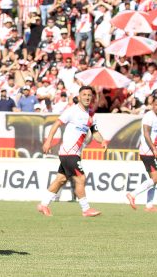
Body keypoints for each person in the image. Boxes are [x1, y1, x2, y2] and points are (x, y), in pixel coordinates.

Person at [37, 86, 107, 217]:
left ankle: (43, 205)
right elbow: (57, 124)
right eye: (84, 95)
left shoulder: (91, 115)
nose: (87, 97)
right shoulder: (72, 111)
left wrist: (102, 141)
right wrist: (48, 141)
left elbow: (95, 132)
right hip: (69, 152)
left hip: (74, 153)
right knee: (81, 178)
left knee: (61, 179)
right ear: (79, 97)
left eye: (89, 95)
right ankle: (86, 209)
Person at [125, 96, 157, 212]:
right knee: (156, 179)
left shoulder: (155, 117)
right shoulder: (149, 116)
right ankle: (132, 194)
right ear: (152, 105)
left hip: (151, 151)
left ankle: (149, 205)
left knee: (153, 179)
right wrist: (154, 149)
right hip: (148, 152)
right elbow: (146, 134)